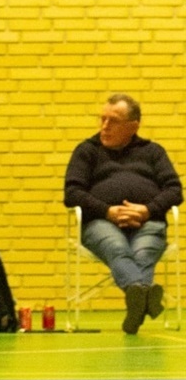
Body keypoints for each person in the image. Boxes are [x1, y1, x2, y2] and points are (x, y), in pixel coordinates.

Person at [64, 94, 182, 335]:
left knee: (144, 252)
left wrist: (147, 210)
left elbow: (174, 190)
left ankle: (136, 298)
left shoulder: (153, 151)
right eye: (102, 119)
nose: (105, 126)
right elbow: (72, 193)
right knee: (117, 247)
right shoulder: (87, 151)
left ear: (133, 126)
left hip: (147, 221)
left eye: (113, 121)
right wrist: (107, 211)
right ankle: (144, 294)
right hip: (100, 222)